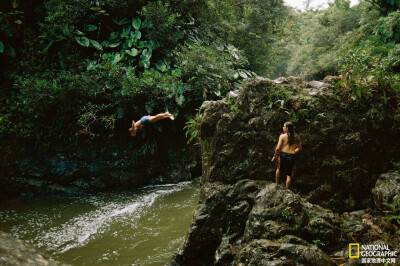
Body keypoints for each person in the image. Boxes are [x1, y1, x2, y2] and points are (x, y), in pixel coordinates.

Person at [271, 122, 302, 189]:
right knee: (289, 175)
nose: (283, 127)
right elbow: (300, 148)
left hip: (283, 155)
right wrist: (293, 152)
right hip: (292, 156)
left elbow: (278, 148)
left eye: (284, 126)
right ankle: (287, 190)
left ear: (287, 128)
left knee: (279, 169)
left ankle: (276, 184)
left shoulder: (282, 136)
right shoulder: (297, 137)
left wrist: (275, 156)